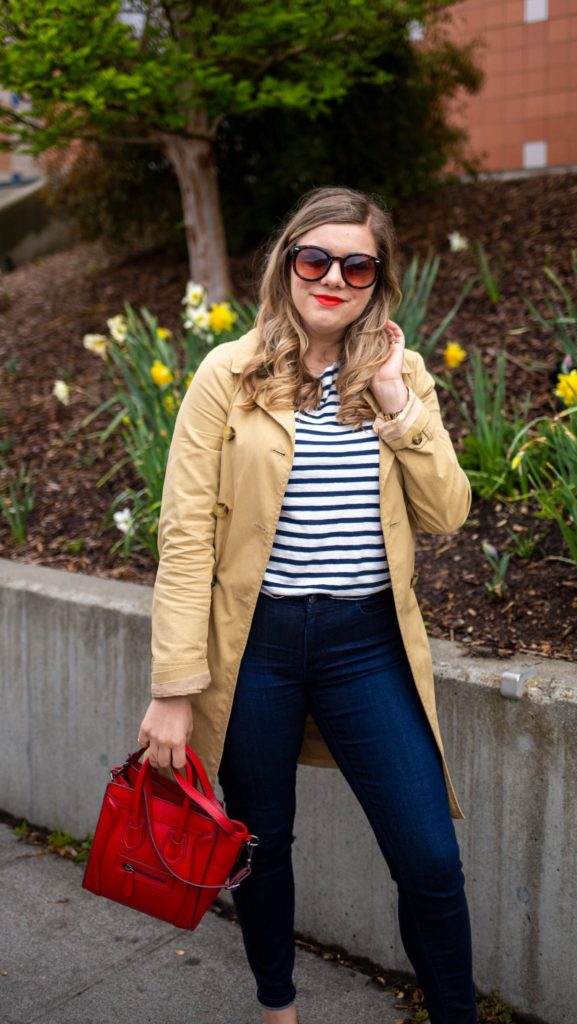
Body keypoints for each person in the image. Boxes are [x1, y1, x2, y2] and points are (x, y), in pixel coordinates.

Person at [138, 186, 476, 1024]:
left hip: (366, 646)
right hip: (257, 647)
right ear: (287, 263)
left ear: (377, 279)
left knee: (430, 857)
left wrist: (397, 402)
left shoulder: (403, 377)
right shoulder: (229, 372)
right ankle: (277, 1008)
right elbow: (185, 537)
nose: (332, 278)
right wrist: (173, 689)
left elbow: (446, 514)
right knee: (259, 841)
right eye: (314, 258)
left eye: (355, 264)